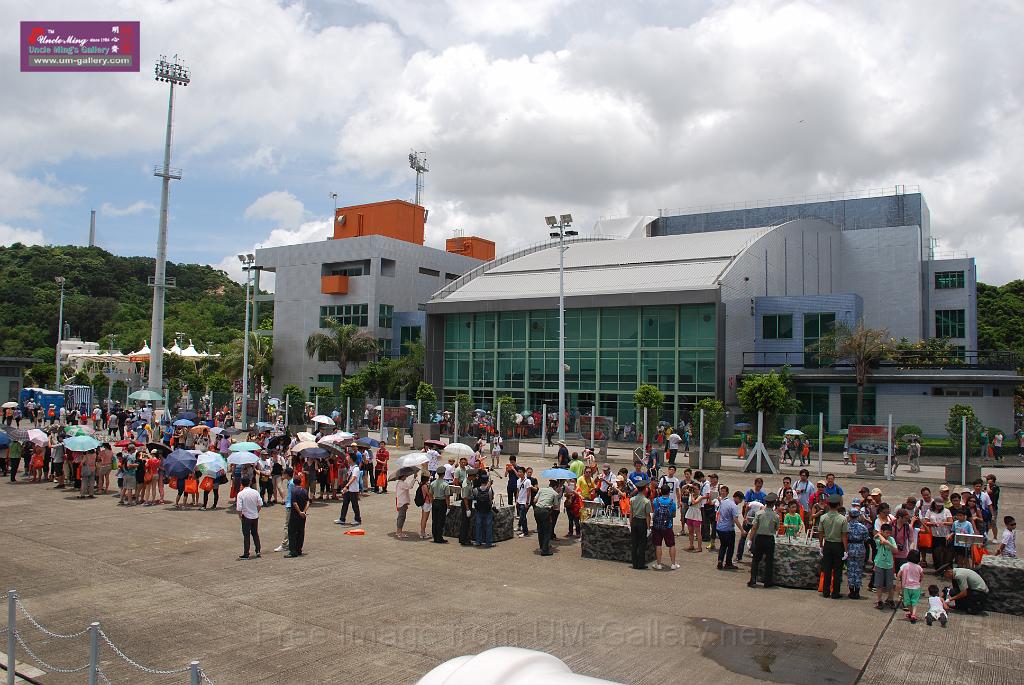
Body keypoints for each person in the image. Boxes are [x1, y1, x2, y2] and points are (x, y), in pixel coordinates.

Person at [747, 492, 779, 588]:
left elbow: (754, 527)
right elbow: (776, 528)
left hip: (759, 538)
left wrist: (750, 539)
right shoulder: (775, 516)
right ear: (773, 504)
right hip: (769, 539)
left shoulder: (759, 513)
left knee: (756, 560)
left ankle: (753, 579)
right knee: (769, 561)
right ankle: (767, 582)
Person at [651, 484, 679, 570]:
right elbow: (673, 515)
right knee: (671, 545)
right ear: (669, 492)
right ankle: (673, 564)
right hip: (668, 526)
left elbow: (654, 511)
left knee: (658, 544)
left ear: (660, 491)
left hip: (657, 526)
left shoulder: (655, 501)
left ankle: (658, 564)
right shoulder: (672, 503)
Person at [235, 476, 263, 559]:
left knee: (246, 535)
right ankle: (258, 551)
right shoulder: (255, 492)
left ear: (241, 484)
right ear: (249, 483)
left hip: (246, 516)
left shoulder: (240, 494)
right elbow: (260, 504)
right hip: (255, 516)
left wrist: (240, 516)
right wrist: (256, 512)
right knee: (255, 533)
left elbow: (239, 508)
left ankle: (246, 553)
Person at [716, 489, 743, 570]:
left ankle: (720, 561)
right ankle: (728, 563)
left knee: (723, 545)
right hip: (728, 529)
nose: (741, 501)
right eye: (740, 499)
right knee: (730, 546)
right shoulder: (734, 506)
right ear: (737, 498)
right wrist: (742, 530)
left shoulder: (724, 501)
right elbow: (735, 519)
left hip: (720, 528)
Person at [285, 471, 310, 558]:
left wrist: (299, 511)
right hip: (303, 516)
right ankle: (299, 549)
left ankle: (293, 551)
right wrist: (304, 511)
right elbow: (308, 502)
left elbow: (294, 503)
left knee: (291, 532)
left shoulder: (293, 491)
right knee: (301, 532)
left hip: (295, 515)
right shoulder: (305, 491)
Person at [846, 508, 870, 599]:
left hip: (850, 547)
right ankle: (857, 591)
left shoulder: (846, 526)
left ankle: (851, 591)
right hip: (860, 548)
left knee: (850, 569)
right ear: (858, 516)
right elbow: (866, 539)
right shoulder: (863, 527)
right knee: (859, 570)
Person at [629, 479, 652, 570]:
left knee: (634, 543)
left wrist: (631, 524)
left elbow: (631, 513)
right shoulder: (646, 501)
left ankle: (634, 563)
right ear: (644, 489)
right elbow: (647, 516)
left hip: (634, 521)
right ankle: (640, 564)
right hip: (642, 522)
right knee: (642, 544)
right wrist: (648, 527)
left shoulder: (632, 499)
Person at [873, 523, 897, 610]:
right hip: (879, 564)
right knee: (879, 584)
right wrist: (879, 534)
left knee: (890, 585)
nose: (888, 535)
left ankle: (890, 599)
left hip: (889, 565)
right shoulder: (878, 538)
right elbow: (881, 541)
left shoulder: (891, 539)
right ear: (882, 532)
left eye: (889, 533)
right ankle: (879, 600)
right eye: (886, 532)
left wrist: (889, 543)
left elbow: (895, 550)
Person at [897, 550, 924, 622]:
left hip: (906, 587)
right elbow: (922, 575)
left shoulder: (904, 565)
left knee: (907, 602)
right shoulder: (918, 567)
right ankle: (913, 614)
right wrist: (920, 579)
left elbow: (898, 574)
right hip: (916, 587)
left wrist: (899, 581)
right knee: (914, 602)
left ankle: (912, 613)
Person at [335, 453, 362, 526]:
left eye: (348, 457)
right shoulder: (350, 467)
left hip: (353, 490)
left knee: (355, 505)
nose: (347, 458)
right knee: (345, 504)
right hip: (348, 489)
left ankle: (357, 519)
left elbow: (353, 478)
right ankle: (342, 519)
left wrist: (346, 486)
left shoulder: (356, 468)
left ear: (351, 459)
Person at [534, 481, 559, 556]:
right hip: (545, 511)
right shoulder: (555, 493)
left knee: (540, 529)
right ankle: (545, 550)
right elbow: (556, 506)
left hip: (537, 510)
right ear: (555, 487)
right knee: (547, 531)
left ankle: (542, 546)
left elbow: (534, 501)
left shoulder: (541, 490)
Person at [274, 467, 295, 552]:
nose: (283, 475)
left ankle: (285, 544)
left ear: (287, 474)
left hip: (290, 506)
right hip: (289, 505)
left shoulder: (291, 483)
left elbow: (294, 495)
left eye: (284, 473)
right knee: (289, 525)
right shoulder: (291, 482)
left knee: (287, 526)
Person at [472, 473, 495, 548]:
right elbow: (491, 499)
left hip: (479, 509)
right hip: (488, 510)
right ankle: (488, 542)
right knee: (488, 526)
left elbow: (474, 499)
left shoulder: (475, 490)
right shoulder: (490, 490)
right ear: (487, 480)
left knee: (478, 526)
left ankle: (478, 541)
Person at [394, 469, 417, 539]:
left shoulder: (400, 483)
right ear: (402, 476)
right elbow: (410, 486)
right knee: (401, 517)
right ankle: (399, 532)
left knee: (401, 517)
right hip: (402, 502)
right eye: (405, 476)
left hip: (402, 502)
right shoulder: (402, 483)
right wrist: (414, 478)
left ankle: (398, 531)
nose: (406, 477)